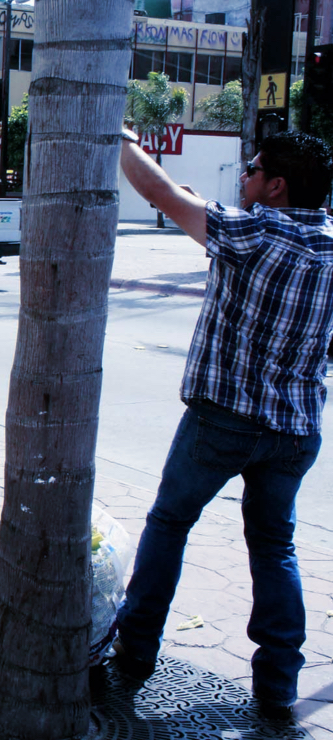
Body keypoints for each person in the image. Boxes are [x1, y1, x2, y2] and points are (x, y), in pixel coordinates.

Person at [112, 129, 333, 723]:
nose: (244, 177)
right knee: (274, 544)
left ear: (277, 186)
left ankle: (135, 650)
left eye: (254, 170)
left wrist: (121, 136)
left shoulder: (253, 233)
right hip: (296, 427)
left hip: (225, 418)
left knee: (169, 522)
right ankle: (278, 685)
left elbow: (158, 192)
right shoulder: (327, 243)